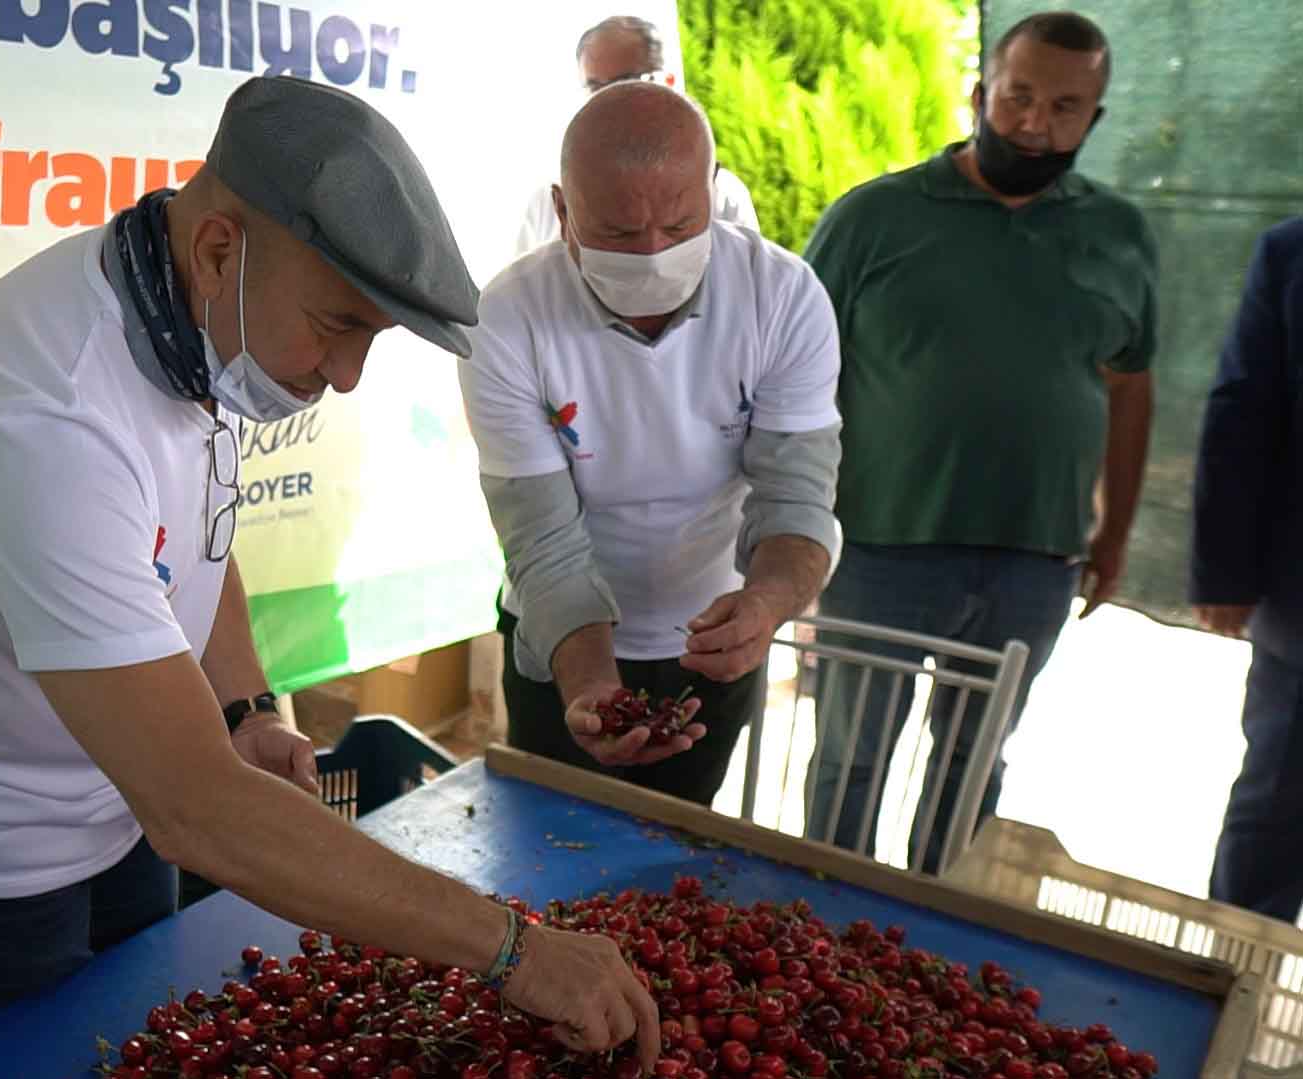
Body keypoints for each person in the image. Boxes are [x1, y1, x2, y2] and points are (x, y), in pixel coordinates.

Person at [0, 76, 666, 1066]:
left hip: (116, 793)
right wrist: (513, 949)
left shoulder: (182, 310)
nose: (346, 373)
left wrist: (242, 708)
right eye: (339, 324)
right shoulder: (48, 419)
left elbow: (192, 538)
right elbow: (194, 808)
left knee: (156, 1030)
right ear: (220, 247)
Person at [801, 11, 1157, 874]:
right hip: (878, 545)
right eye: (1018, 96)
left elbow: (1129, 382)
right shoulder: (872, 219)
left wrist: (1110, 534)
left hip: (1032, 560)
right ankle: (816, 925)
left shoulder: (1117, 234)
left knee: (972, 768)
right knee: (851, 758)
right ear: (979, 94)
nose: (1036, 123)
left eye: (1065, 106)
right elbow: (788, 374)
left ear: (1093, 119)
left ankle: (929, 945)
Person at [460, 80, 842, 808]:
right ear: (562, 209)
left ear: (714, 191)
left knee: (679, 852)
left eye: (679, 223)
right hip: (558, 640)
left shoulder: (784, 298)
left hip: (717, 633)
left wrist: (764, 604)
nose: (654, 255)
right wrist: (590, 687)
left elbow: (796, 496)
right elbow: (540, 536)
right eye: (619, 234)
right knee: (551, 852)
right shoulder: (505, 319)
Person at [1193, 216, 1303, 924]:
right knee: (1272, 814)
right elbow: (1241, 413)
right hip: (1300, 608)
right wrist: (1224, 573)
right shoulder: (1290, 252)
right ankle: (1227, 1002)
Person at [514, 15, 758, 259]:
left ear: (668, 82)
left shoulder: (724, 196)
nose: (610, 100)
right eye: (596, 87)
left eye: (627, 82)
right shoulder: (548, 208)